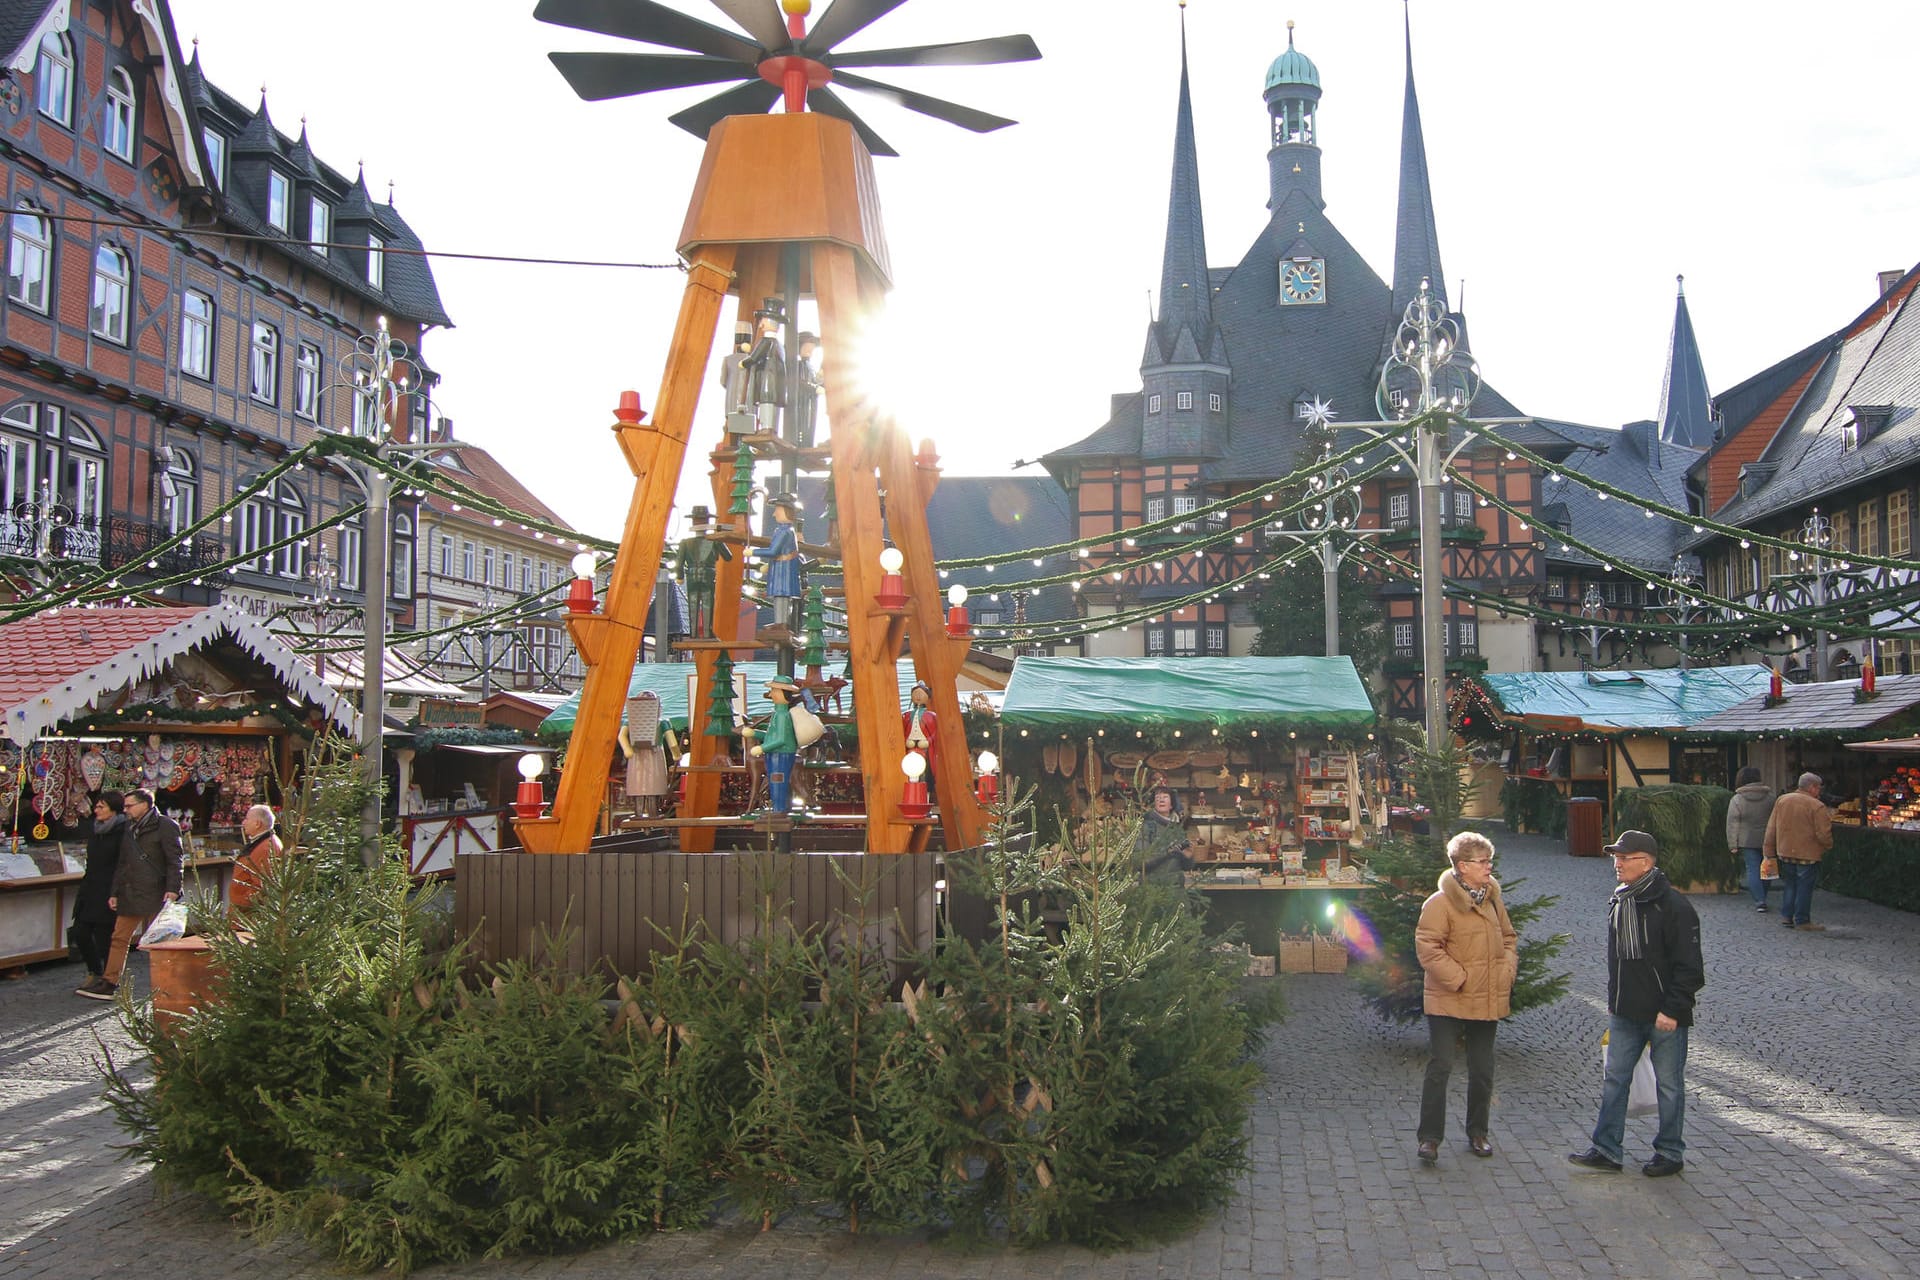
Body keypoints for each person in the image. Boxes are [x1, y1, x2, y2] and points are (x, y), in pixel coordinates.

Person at [1569, 830, 1705, 1178]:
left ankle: (1670, 1152)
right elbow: (1619, 961)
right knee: (1615, 1079)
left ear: (1645, 862)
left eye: (1624, 857)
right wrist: (1613, 1003)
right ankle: (1606, 1149)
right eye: (1616, 856)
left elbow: (1690, 969)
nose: (1617, 863)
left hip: (1664, 1015)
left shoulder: (1674, 906)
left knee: (1669, 1084)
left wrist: (1672, 1010)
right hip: (1625, 1012)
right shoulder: (1621, 900)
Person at [1413, 831, 1518, 1164]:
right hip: (1448, 997)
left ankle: (1478, 1133)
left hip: (1487, 997)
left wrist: (1506, 971)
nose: (1489, 867)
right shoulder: (1439, 904)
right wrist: (1459, 979)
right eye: (1482, 861)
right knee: (1441, 1065)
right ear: (1461, 866)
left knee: (1482, 1068)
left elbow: (1509, 939)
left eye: (1490, 860)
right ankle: (1429, 1138)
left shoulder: (1492, 899)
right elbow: (1428, 948)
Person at [84, 788, 185, 1002]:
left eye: (130, 806)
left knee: (159, 943)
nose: (126, 810)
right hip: (131, 891)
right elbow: (123, 862)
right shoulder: (129, 827)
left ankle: (168, 985)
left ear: (145, 804)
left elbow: (175, 860)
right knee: (119, 937)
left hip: (157, 892)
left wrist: (173, 889)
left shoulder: (166, 826)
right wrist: (115, 892)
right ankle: (110, 981)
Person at [70, 791, 126, 998]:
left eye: (101, 806)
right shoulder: (95, 829)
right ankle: (95, 971)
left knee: (105, 938)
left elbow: (123, 863)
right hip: (90, 888)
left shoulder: (123, 831)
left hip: (109, 889)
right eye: (97, 806)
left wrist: (117, 890)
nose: (96, 810)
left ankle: (110, 980)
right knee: (80, 932)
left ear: (113, 809)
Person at [1763, 771, 1834, 931]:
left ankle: (1787, 916)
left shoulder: (1782, 800)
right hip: (1807, 853)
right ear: (1812, 787)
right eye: (1818, 788)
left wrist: (1768, 849)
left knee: (1790, 884)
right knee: (1804, 887)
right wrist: (1828, 846)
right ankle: (1802, 920)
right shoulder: (1817, 806)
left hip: (1785, 850)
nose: (1819, 791)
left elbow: (1771, 827)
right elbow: (1823, 833)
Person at [1726, 766, 1779, 913]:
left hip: (1746, 840)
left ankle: (1760, 900)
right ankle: (1764, 895)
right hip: (1768, 839)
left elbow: (1732, 823)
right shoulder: (1770, 798)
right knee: (1767, 869)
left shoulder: (1737, 799)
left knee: (1753, 870)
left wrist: (1732, 844)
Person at [749, 677, 801, 815]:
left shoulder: (783, 715)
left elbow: (781, 739)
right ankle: (777, 808)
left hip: (781, 753)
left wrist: (762, 748)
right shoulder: (778, 714)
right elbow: (771, 736)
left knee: (778, 780)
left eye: (774, 691)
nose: (771, 694)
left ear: (783, 693)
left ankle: (779, 809)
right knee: (775, 780)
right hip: (775, 753)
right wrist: (754, 733)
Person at [228, 803, 285, 916]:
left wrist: (241, 905)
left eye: (247, 819)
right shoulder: (264, 842)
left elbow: (262, 887)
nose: (243, 823)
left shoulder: (266, 848)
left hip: (249, 918)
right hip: (243, 915)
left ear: (257, 824)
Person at [1135, 785, 1191, 885]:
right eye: (1157, 798)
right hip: (1153, 890)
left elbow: (1187, 866)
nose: (1161, 800)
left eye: (1165, 797)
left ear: (1171, 805)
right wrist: (1167, 851)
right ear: (1153, 805)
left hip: (1176, 889)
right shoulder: (1146, 827)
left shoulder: (1177, 828)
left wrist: (1189, 856)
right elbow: (1141, 862)